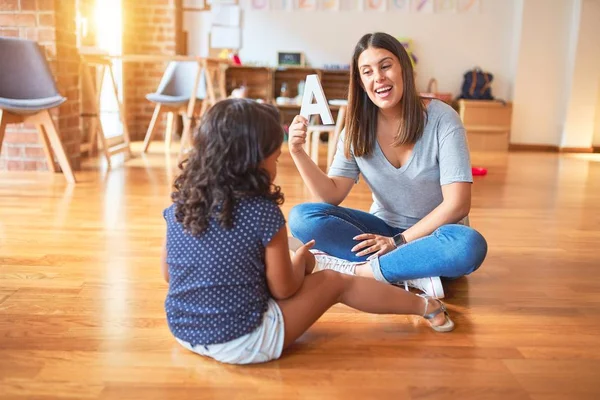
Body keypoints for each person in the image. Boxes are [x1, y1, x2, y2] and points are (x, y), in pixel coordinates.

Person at [161, 98, 455, 365]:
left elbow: (168, 274)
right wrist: (302, 261)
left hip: (183, 330)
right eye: (275, 158)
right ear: (252, 161)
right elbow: (284, 289)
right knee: (334, 281)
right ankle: (426, 306)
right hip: (242, 342)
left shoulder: (180, 205)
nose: (276, 164)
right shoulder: (262, 212)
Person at [287, 32, 488, 299]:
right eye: (367, 72)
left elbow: (458, 205)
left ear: (403, 68)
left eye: (385, 66)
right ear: (360, 82)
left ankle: (360, 272)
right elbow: (331, 195)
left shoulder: (443, 119)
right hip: (380, 233)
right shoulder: (356, 130)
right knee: (302, 217)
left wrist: (398, 242)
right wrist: (298, 152)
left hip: (434, 237)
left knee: (468, 245)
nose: (378, 78)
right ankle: (408, 274)